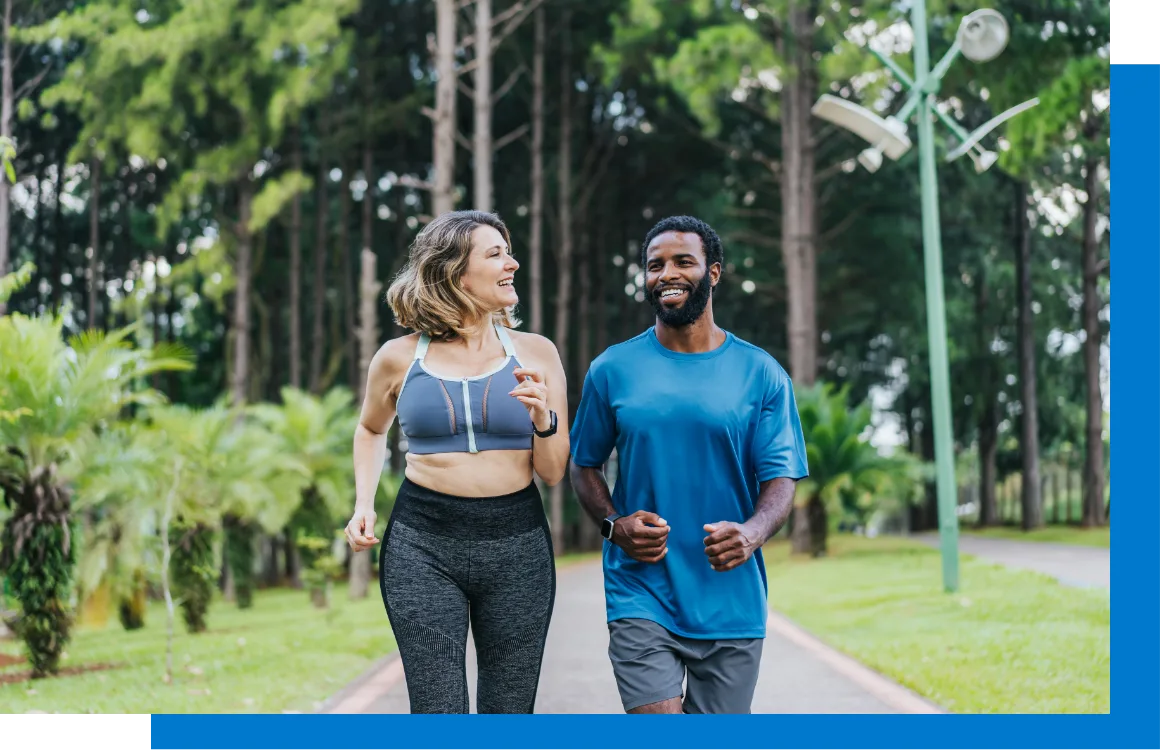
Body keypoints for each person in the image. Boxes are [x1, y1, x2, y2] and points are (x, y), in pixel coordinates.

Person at [569, 215, 809, 715]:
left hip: (731, 596)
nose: (667, 274)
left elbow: (780, 478)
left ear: (714, 273)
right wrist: (614, 526)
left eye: (683, 261)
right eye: (655, 265)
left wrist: (753, 532)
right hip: (640, 588)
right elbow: (583, 464)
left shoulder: (761, 373)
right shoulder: (612, 369)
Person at [344, 210, 570, 714]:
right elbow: (370, 428)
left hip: (517, 545)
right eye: (496, 254)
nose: (512, 263)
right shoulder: (398, 357)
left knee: (509, 711)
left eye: (508, 251)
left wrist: (542, 418)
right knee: (437, 709)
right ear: (453, 272)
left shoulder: (537, 353)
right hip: (422, 544)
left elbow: (553, 472)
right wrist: (363, 504)